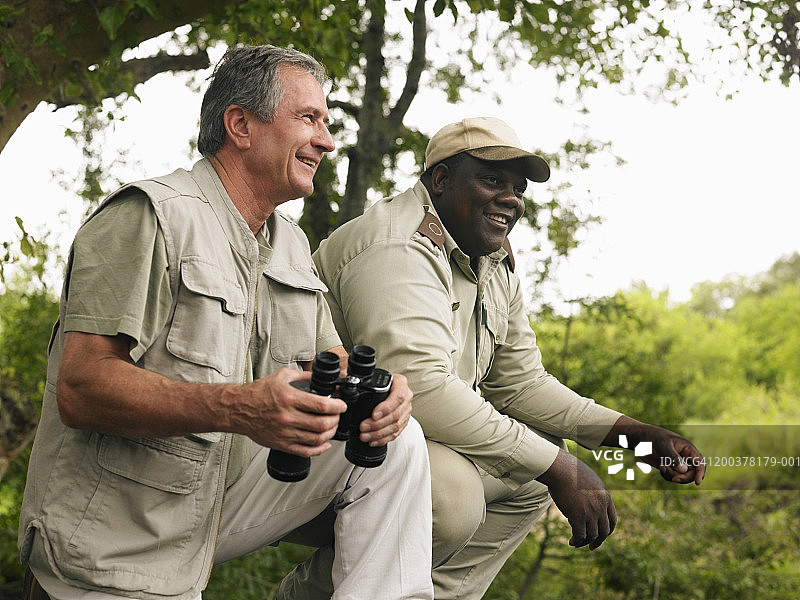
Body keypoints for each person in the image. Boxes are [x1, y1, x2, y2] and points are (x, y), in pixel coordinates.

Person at [18, 44, 434, 600]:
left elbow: (327, 365)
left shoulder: (289, 242)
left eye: (327, 123)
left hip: (219, 501)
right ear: (240, 124)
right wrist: (241, 408)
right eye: (308, 119)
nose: (328, 141)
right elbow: (81, 388)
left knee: (397, 440)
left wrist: (383, 394)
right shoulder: (149, 215)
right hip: (116, 534)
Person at [312, 117, 706, 599]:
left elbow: (520, 384)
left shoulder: (489, 261)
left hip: (390, 438)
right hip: (307, 444)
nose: (511, 199)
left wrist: (637, 435)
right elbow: (423, 387)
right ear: (440, 180)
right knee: (452, 496)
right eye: (492, 180)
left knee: (536, 467)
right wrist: (560, 469)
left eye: (517, 189)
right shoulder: (397, 246)